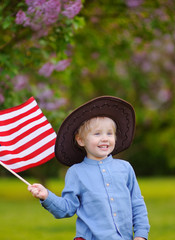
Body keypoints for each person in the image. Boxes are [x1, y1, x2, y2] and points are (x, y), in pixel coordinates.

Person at [28, 96, 150, 240]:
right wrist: (47, 197)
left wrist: (141, 235)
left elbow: (137, 204)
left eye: (109, 133)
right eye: (97, 134)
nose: (104, 138)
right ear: (80, 140)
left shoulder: (125, 168)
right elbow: (67, 208)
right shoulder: (76, 172)